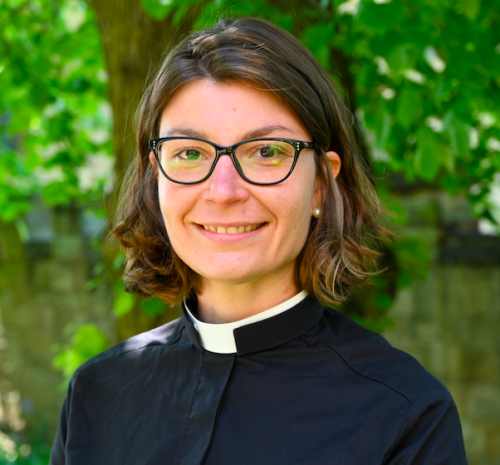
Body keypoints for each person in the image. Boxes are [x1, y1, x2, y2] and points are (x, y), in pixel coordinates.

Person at [49, 17, 468, 465]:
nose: (224, 191)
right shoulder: (97, 392)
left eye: (267, 152)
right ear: (156, 180)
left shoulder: (404, 412)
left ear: (321, 186)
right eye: (190, 153)